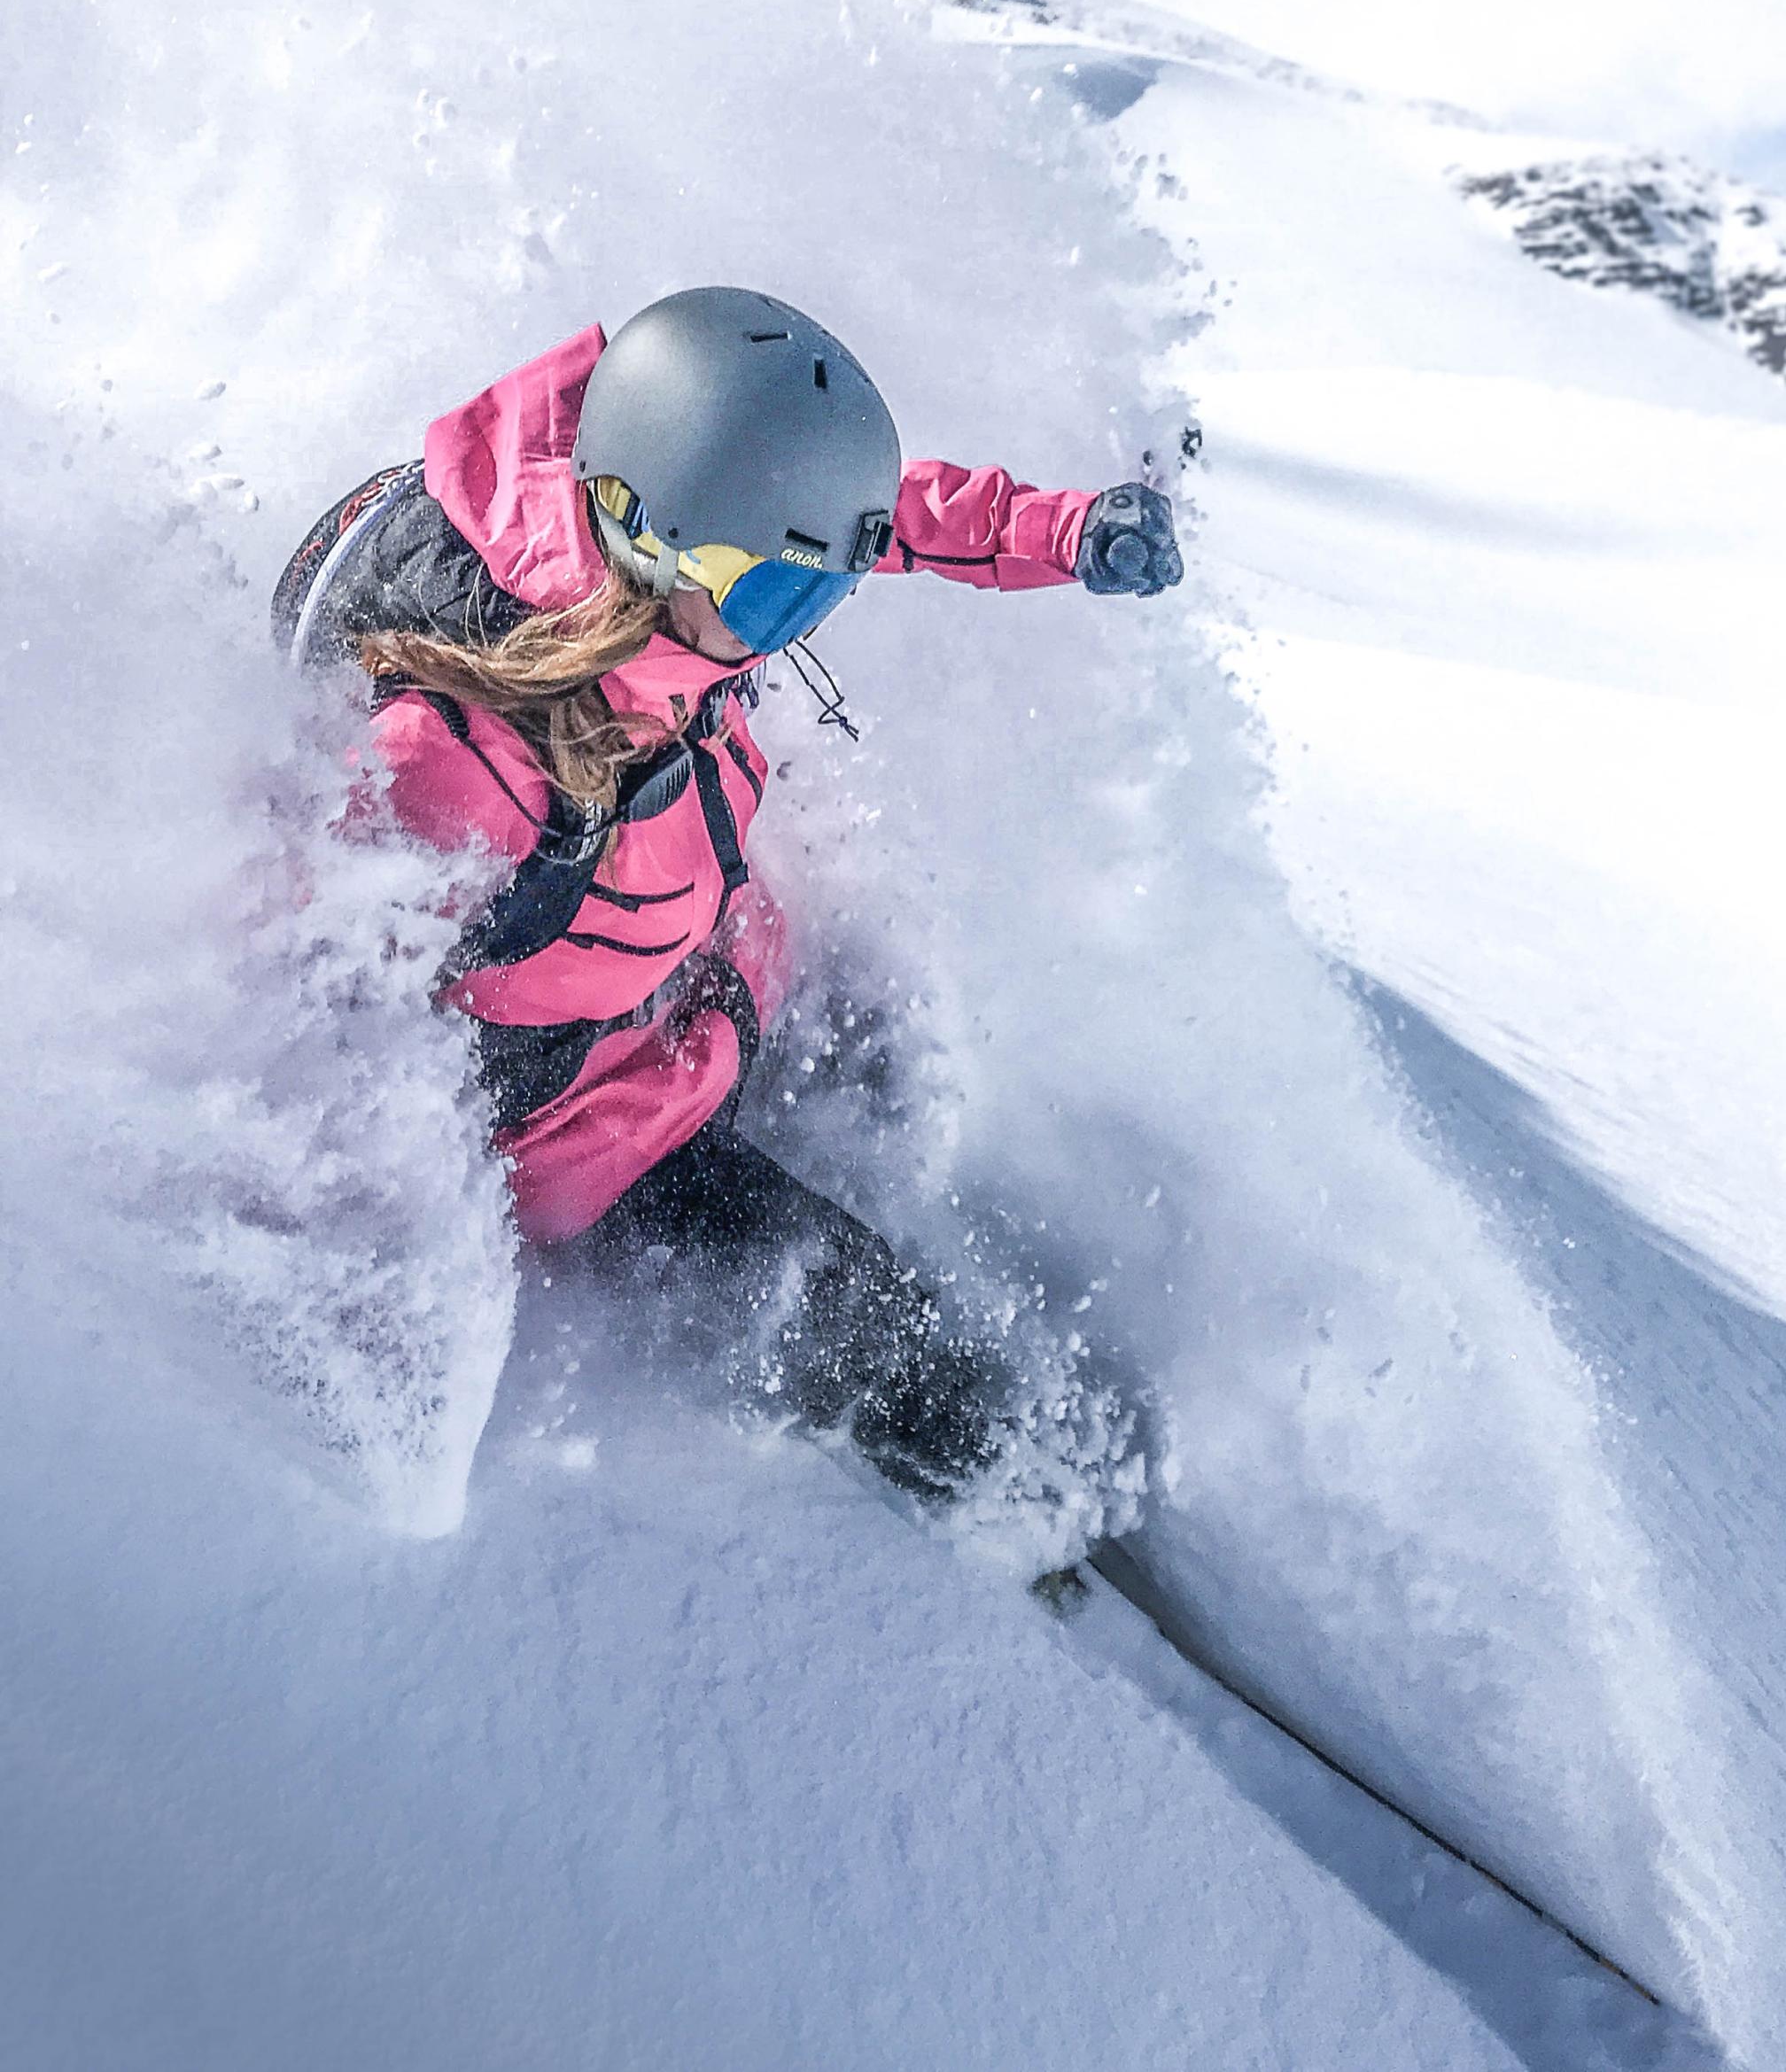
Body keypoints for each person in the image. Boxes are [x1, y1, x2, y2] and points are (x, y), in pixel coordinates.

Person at [272, 286, 1181, 1492]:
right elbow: (305, 1032)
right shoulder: (460, 770)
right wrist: (393, 1327)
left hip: (708, 967)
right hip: (598, 1136)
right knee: (887, 1343)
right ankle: (1036, 1494)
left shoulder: (681, 578)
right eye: (771, 598)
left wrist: (1059, 533)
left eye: (817, 592)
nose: (782, 633)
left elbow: (858, 515)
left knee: (909, 1075)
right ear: (653, 543)